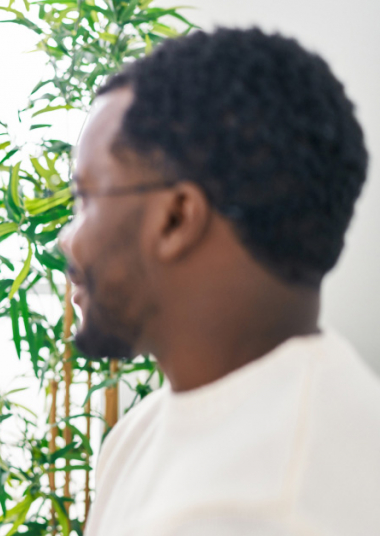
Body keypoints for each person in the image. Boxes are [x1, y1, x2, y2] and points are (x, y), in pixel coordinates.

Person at [58, 28, 379, 535]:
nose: (66, 241)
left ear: (176, 218)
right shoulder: (138, 435)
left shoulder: (268, 510)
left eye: (86, 199)